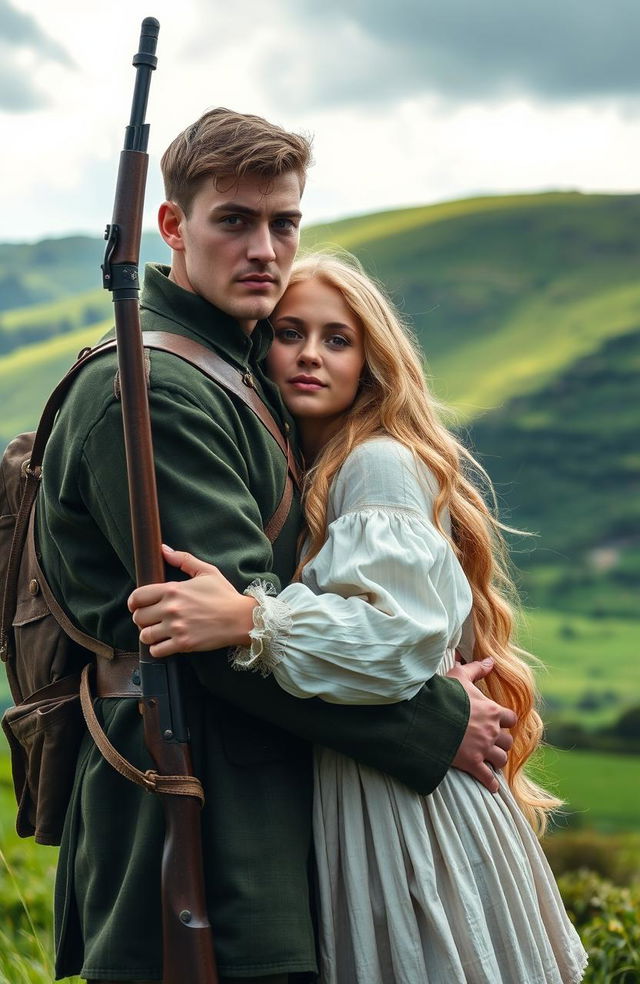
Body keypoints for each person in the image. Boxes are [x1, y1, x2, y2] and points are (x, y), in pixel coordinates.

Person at [37, 108, 515, 984]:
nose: (264, 247)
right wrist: (436, 721)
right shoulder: (152, 395)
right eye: (235, 220)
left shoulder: (240, 369)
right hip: (195, 809)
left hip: (263, 798)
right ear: (173, 226)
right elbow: (214, 631)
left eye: (283, 222)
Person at [129, 253, 588, 984]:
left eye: (337, 339)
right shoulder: (315, 473)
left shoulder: (374, 463)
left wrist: (253, 620)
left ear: (370, 362)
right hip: (368, 785)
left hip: (407, 803)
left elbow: (392, 639)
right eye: (290, 333)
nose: (310, 355)